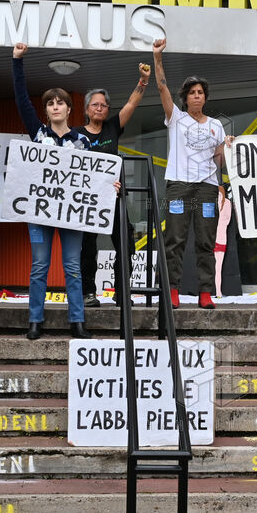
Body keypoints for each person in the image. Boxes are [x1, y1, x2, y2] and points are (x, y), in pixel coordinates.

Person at [11, 43, 94, 339]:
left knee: (72, 266)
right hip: (39, 212)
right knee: (39, 266)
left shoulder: (83, 141)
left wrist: (110, 185)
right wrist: (17, 61)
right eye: (50, 103)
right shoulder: (38, 134)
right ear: (45, 111)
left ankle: (77, 322)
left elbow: (94, 177)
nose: (55, 106)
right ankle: (35, 320)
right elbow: (21, 99)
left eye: (60, 103)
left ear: (69, 109)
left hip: (72, 214)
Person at [152, 37, 227, 309]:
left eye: (200, 92)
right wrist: (157, 57)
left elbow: (219, 160)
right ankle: (172, 290)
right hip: (179, 187)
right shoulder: (176, 118)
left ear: (205, 97)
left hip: (207, 188)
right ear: (185, 98)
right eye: (192, 92)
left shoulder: (216, 125)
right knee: (174, 239)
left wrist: (228, 149)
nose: (197, 95)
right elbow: (162, 86)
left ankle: (205, 293)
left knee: (206, 240)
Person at [78, 66, 150, 306]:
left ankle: (122, 292)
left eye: (104, 105)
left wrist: (142, 82)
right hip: (87, 201)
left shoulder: (112, 127)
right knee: (87, 247)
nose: (100, 108)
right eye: (95, 105)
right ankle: (88, 293)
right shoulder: (75, 135)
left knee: (126, 244)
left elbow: (131, 104)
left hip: (114, 197)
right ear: (87, 109)